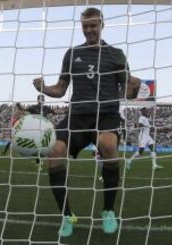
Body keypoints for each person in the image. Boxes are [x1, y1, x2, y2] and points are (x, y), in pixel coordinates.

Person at [33, 7, 141, 237]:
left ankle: (109, 211)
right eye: (85, 26)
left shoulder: (116, 54)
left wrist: (134, 89)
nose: (89, 30)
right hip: (78, 116)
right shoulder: (72, 54)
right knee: (54, 150)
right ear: (81, 26)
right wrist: (44, 88)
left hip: (107, 114)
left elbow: (127, 92)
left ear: (102, 25)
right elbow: (61, 89)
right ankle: (67, 216)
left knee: (109, 145)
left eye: (93, 25)